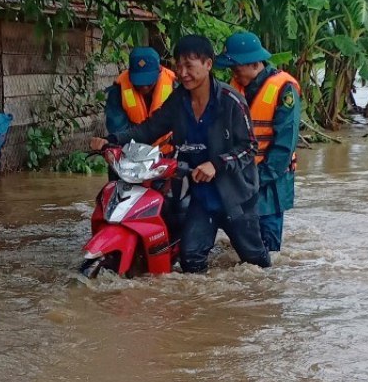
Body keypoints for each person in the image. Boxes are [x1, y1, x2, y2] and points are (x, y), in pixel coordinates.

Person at [91, 35, 270, 273]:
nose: (182, 72)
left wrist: (216, 164)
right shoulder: (178, 101)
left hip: (235, 195)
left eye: (189, 66)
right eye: (179, 66)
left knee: (254, 261)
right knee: (190, 259)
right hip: (201, 195)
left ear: (208, 64)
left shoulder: (231, 101)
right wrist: (112, 141)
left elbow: (249, 147)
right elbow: (149, 128)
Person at [215, 31, 300, 254]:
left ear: (253, 63)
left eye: (236, 67)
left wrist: (257, 179)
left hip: (271, 178)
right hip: (240, 175)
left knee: (268, 247)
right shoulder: (233, 88)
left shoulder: (284, 89)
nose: (233, 73)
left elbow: (284, 144)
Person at [104, 46, 178, 152]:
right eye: (138, 82)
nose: (144, 87)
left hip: (167, 154)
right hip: (131, 154)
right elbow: (117, 127)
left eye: (149, 81)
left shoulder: (175, 86)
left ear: (160, 71)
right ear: (129, 74)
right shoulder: (118, 90)